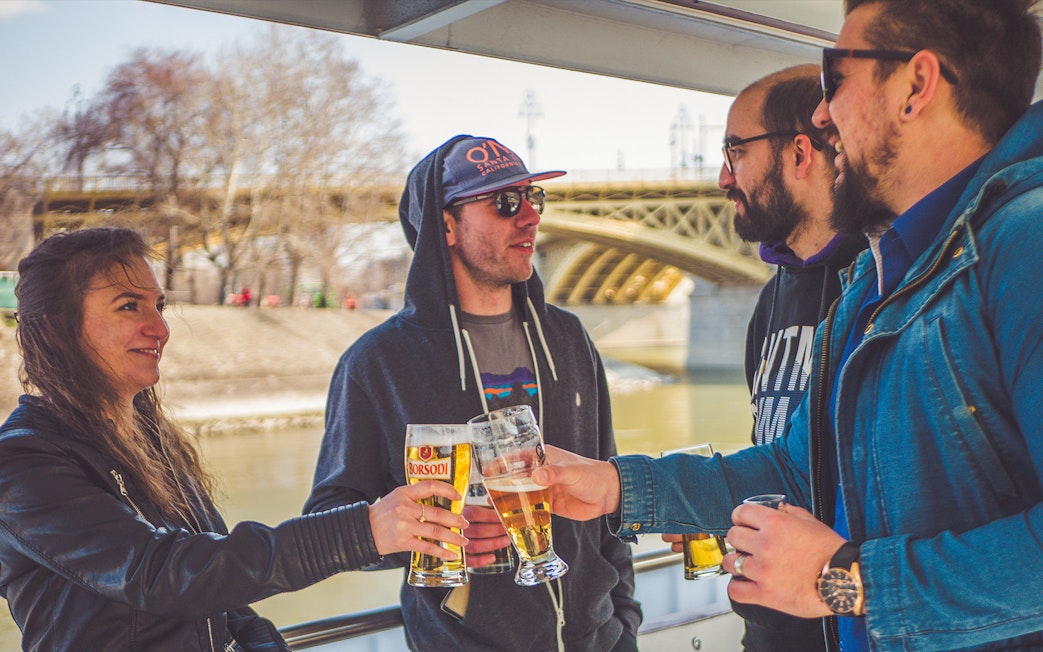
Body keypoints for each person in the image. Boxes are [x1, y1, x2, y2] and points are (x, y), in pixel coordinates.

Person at [532, 1, 1043, 650]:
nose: (822, 113)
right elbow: (800, 469)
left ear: (915, 85)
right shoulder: (871, 284)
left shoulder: (1024, 245)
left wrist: (847, 582)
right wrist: (612, 485)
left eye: (835, 79)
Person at [0, 227, 467, 651]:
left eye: (158, 306)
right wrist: (363, 530)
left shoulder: (149, 437)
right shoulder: (23, 462)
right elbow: (159, 574)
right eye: (129, 306)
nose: (160, 329)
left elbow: (223, 594)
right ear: (56, 329)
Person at [305, 135, 641, 651]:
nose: (529, 217)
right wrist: (422, 533)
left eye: (534, 198)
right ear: (446, 226)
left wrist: (625, 626)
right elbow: (326, 520)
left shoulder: (569, 339)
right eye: (506, 202)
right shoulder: (377, 363)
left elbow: (608, 487)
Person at [702, 64, 866, 651]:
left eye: (734, 150)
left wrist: (846, 583)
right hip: (767, 628)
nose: (723, 177)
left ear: (800, 152)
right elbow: (781, 460)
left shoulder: (877, 289)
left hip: (847, 624)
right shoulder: (771, 299)